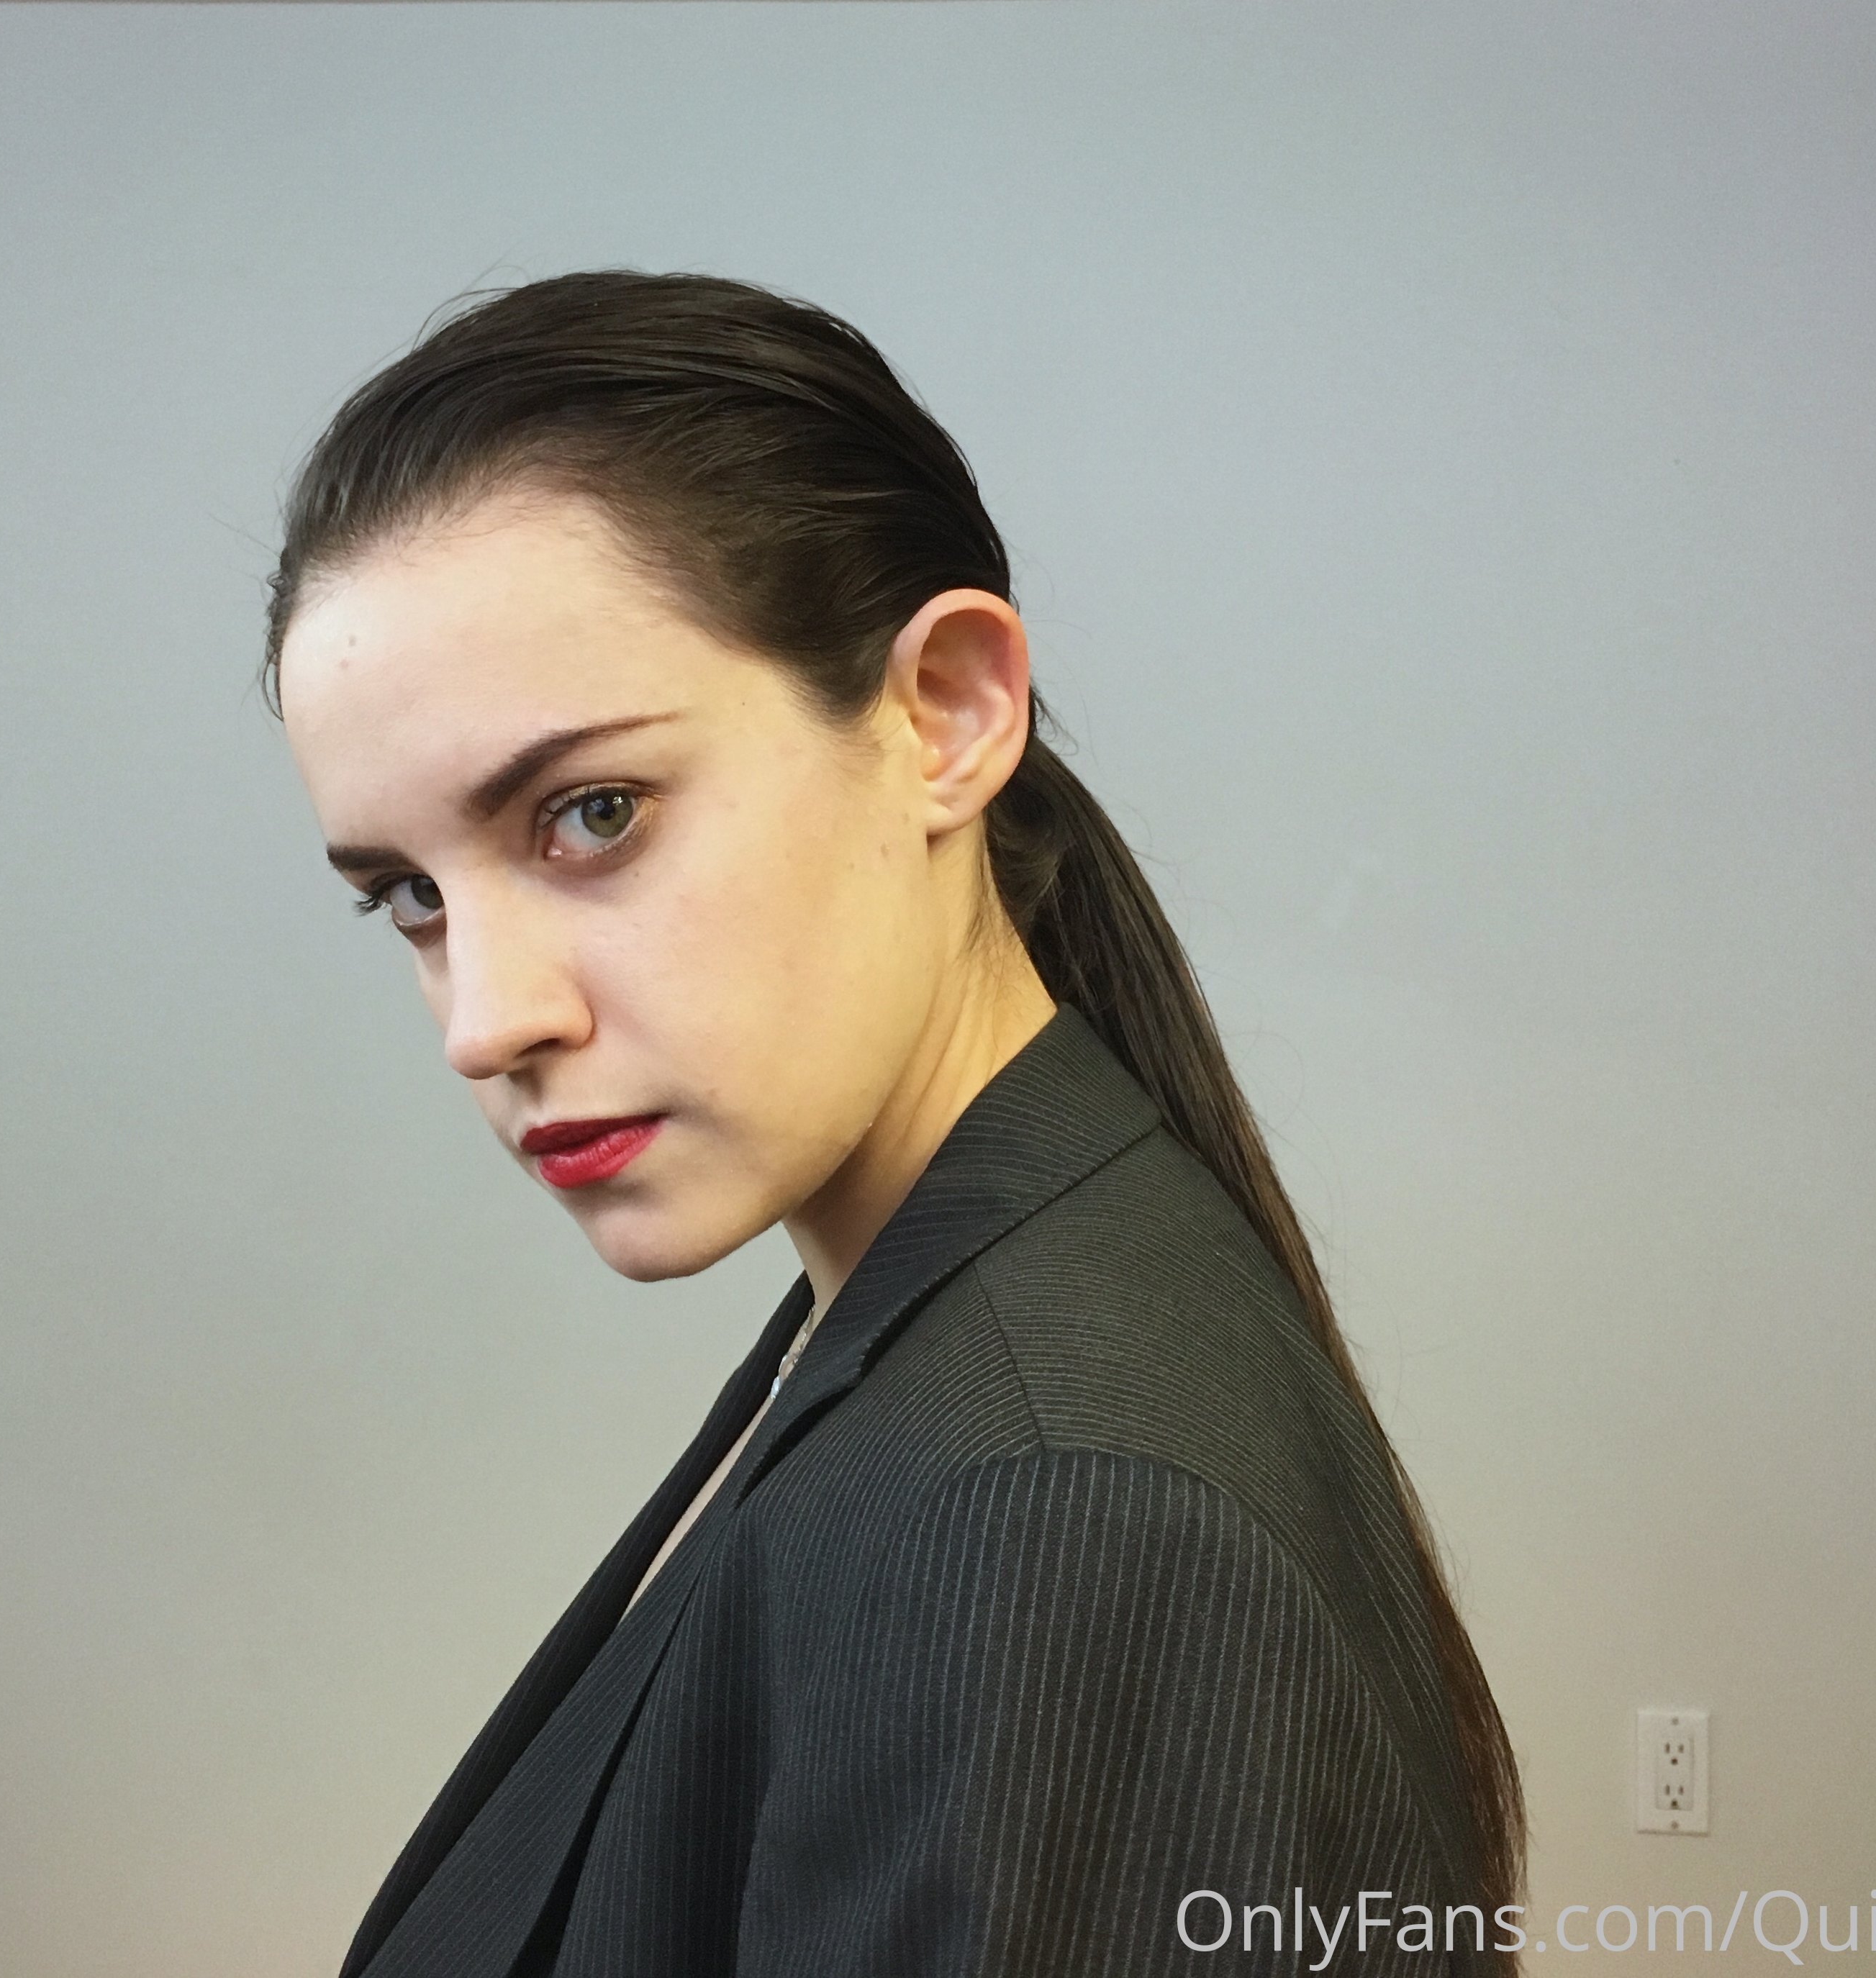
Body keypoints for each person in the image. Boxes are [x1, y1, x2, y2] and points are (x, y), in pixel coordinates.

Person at [263, 269, 1524, 1978]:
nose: (485, 1021)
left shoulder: (1052, 1509)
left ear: (949, 713)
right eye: (409, 894)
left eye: (593, 812)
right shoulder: (927, 1328)